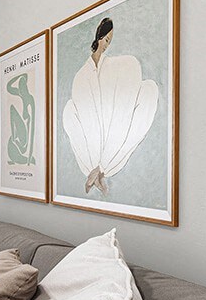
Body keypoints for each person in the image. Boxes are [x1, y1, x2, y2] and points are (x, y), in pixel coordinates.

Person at [62, 17, 158, 195]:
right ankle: (97, 169)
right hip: (93, 141)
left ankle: (100, 169)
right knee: (69, 113)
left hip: (111, 134)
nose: (107, 45)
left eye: (110, 42)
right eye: (106, 40)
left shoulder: (115, 67)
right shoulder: (82, 75)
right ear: (99, 37)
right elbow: (87, 119)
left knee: (148, 91)